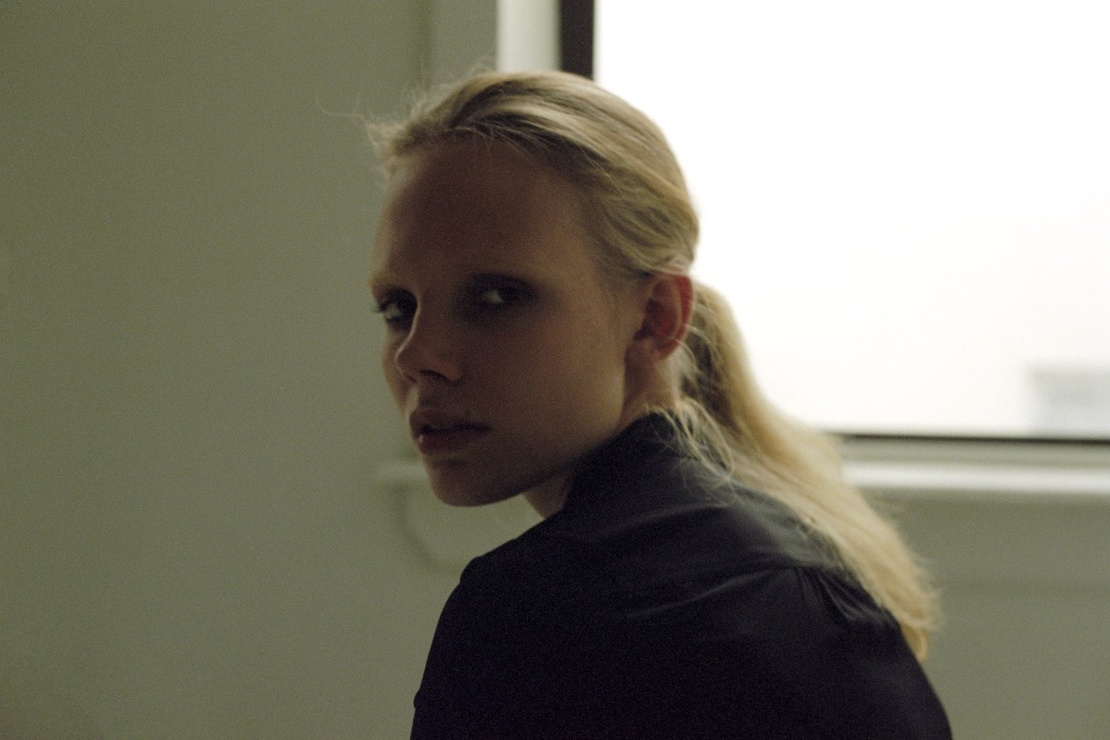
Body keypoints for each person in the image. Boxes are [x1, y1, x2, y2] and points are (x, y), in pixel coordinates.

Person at [368, 70, 951, 738]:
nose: (419, 355)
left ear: (654, 318)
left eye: (497, 297)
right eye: (398, 307)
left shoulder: (538, 615)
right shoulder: (804, 555)